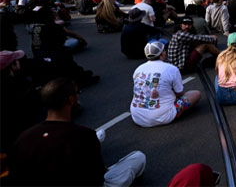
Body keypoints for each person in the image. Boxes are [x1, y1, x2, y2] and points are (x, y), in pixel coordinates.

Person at [10, 78, 146, 186]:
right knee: (138, 157)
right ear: (71, 99)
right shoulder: (82, 135)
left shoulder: (24, 137)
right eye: (77, 93)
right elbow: (97, 177)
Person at [131, 41, 200, 127]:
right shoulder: (172, 69)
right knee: (196, 94)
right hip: (162, 116)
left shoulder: (138, 69)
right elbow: (179, 93)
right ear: (162, 53)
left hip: (137, 117)